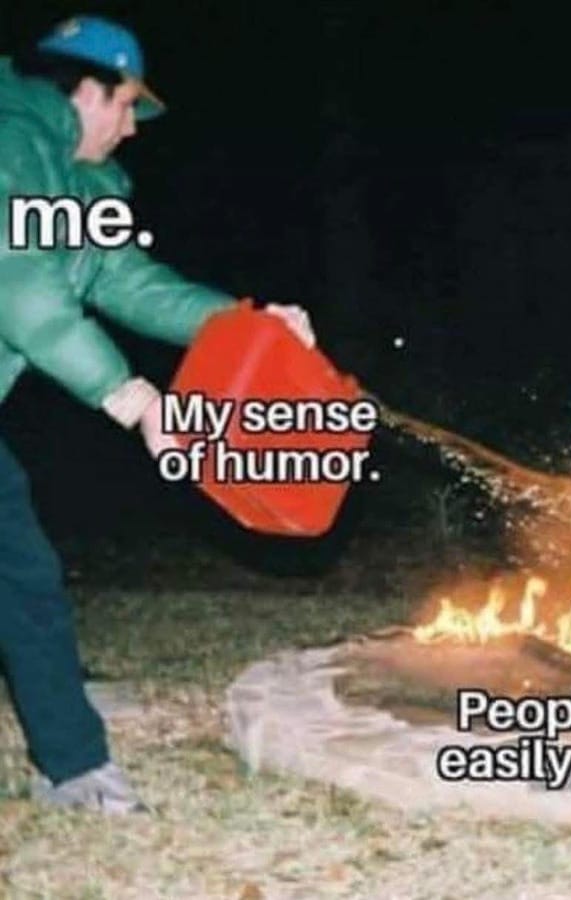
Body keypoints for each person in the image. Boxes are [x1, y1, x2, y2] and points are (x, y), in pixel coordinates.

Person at [0, 15, 315, 814]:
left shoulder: (74, 184)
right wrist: (133, 397)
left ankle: (69, 762)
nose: (133, 127)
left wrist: (250, 325)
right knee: (19, 571)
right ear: (86, 89)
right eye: (127, 104)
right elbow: (21, 286)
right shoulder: (10, 140)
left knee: (19, 571)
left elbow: (130, 285)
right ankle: (73, 766)